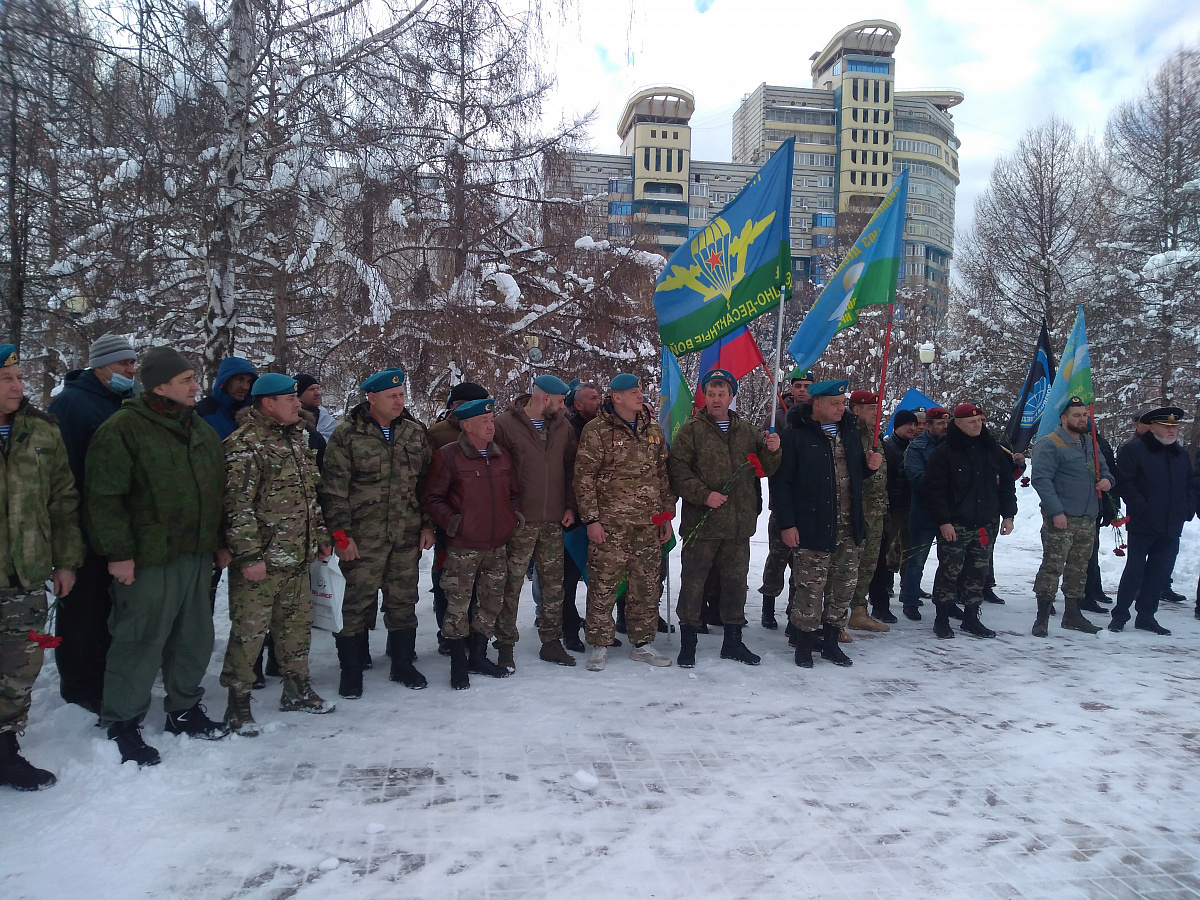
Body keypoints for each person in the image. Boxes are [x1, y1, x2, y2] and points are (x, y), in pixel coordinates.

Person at [86, 347, 231, 766]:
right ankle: (123, 720)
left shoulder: (199, 430)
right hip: (147, 558)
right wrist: (118, 554)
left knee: (194, 637)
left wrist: (221, 540)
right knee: (140, 639)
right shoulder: (124, 430)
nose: (195, 386)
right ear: (159, 386)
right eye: (186, 379)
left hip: (195, 554)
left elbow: (217, 491)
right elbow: (104, 499)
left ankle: (183, 709)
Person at [219, 374, 335, 735]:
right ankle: (238, 702)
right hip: (262, 562)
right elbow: (237, 506)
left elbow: (309, 496)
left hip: (297, 557)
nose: (298, 404)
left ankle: (296, 689)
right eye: (290, 399)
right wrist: (250, 556)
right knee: (249, 633)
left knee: (296, 629)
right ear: (268, 403)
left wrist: (320, 535)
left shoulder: (297, 439)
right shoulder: (244, 445)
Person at [319, 368, 434, 698]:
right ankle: (351, 671)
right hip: (362, 537)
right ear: (371, 398)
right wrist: (341, 537)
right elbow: (333, 491)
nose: (399, 402)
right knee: (355, 604)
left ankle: (402, 664)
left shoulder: (414, 433)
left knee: (403, 600)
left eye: (401, 395)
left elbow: (426, 485)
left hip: (405, 534)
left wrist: (427, 524)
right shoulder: (347, 436)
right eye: (391, 396)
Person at [0, 345, 83, 790]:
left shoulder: (41, 431)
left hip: (26, 576)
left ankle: (5, 751)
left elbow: (62, 501)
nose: (19, 386)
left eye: (18, 377)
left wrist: (66, 561)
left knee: (19, 669)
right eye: (7, 379)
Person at [47, 333, 137, 713]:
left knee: (108, 612)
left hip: (118, 527)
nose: (130, 371)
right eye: (123, 365)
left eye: (133, 364)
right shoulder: (71, 404)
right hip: (83, 528)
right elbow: (62, 473)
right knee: (82, 615)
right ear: (101, 366)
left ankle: (105, 678)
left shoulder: (125, 402)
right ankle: (79, 688)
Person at [668, 369, 781, 668]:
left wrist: (773, 450)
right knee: (694, 583)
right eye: (712, 393)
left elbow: (765, 469)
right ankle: (688, 642)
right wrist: (704, 495)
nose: (717, 399)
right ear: (705, 396)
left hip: (737, 525)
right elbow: (678, 471)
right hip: (702, 524)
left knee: (735, 583)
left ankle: (733, 641)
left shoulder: (746, 430)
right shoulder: (691, 430)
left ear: (732, 396)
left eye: (722, 393)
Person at [770, 379, 881, 668]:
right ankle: (804, 644)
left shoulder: (850, 434)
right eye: (834, 403)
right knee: (810, 588)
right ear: (816, 405)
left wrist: (869, 467)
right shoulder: (796, 436)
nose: (840, 408)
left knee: (842, 587)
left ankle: (831, 641)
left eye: (842, 403)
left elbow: (853, 476)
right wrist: (788, 525)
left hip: (848, 526)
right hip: (813, 526)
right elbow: (782, 484)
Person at [574, 373, 676, 672]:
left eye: (640, 391)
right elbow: (584, 479)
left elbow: (662, 476)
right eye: (633, 392)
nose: (639, 396)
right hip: (610, 525)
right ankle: (599, 644)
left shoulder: (652, 429)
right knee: (603, 586)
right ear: (616, 397)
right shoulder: (597, 430)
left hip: (647, 524)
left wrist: (666, 515)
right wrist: (591, 520)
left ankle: (642, 643)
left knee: (645, 586)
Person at [422, 397, 522, 689]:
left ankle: (478, 655)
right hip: (463, 545)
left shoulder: (500, 455)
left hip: (497, 543)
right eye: (484, 422)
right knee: (458, 604)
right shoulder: (449, 456)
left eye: (491, 421)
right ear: (466, 426)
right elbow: (432, 497)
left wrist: (513, 516)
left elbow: (513, 492)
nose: (491, 426)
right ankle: (457, 662)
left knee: (490, 602)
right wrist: (454, 522)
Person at [493, 374, 579, 669]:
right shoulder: (504, 425)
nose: (562, 408)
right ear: (544, 399)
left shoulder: (562, 427)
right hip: (519, 521)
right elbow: (496, 472)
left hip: (553, 520)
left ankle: (551, 642)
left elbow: (571, 468)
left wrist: (570, 505)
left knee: (554, 585)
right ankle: (505, 643)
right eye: (558, 402)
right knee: (511, 584)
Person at [922, 403, 1017, 640]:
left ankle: (971, 617)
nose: (977, 425)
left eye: (980, 421)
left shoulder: (992, 450)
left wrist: (1009, 515)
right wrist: (944, 521)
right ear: (958, 424)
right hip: (956, 524)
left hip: (985, 523)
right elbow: (935, 492)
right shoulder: (944, 453)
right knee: (949, 571)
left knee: (978, 571)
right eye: (972, 421)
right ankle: (942, 618)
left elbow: (1006, 484)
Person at [1029, 397, 1114, 637]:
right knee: (1052, 567)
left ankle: (1072, 614)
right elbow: (1041, 480)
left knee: (1079, 568)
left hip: (1088, 518)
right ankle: (1042, 616)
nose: (1082, 419)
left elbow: (1105, 471)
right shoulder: (1050, 444)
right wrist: (1056, 511)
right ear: (1064, 418)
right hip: (1062, 519)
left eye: (1084, 415)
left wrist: (1108, 481)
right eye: (1076, 415)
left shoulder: (1091, 444)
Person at [1109, 407, 1196, 635]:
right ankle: (1120, 615)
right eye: (1166, 427)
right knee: (1135, 571)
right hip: (1143, 523)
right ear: (1152, 427)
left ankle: (1147, 616)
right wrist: (1142, 507)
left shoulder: (1181, 454)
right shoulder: (1135, 450)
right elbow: (1125, 483)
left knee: (1159, 572)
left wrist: (1188, 508)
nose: (1171, 431)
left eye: (1174, 427)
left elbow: (1191, 483)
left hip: (1171, 524)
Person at [426, 381, 490, 654]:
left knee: (478, 582)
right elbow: (427, 485)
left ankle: (472, 632)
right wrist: (442, 521)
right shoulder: (438, 435)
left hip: (482, 524)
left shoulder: (489, 431)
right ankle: (448, 633)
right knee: (446, 579)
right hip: (450, 526)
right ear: (455, 407)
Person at [756, 369, 813, 629]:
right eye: (798, 385)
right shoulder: (776, 416)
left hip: (809, 502)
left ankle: (794, 608)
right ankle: (768, 605)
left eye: (807, 385)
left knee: (803, 562)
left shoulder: (817, 417)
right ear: (790, 388)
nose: (802, 390)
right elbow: (763, 452)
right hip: (782, 498)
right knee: (777, 557)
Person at [870, 408, 922, 623]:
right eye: (907, 424)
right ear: (897, 426)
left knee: (911, 553)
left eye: (914, 424)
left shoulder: (917, 447)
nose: (912, 428)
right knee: (883, 553)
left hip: (914, 507)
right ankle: (880, 598)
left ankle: (909, 593)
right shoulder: (888, 447)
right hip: (892, 508)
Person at [900, 407, 951, 619]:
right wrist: (947, 485)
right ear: (928, 426)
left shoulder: (953, 446)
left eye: (947, 423)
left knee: (949, 560)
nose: (945, 427)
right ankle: (910, 599)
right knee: (917, 560)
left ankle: (947, 599)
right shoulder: (917, 448)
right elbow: (917, 478)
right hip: (924, 512)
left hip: (949, 513)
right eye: (940, 424)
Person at [847, 389, 890, 635]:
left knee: (868, 565)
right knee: (848, 565)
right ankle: (837, 615)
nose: (877, 413)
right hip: (857, 511)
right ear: (856, 410)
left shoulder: (875, 437)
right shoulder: (850, 435)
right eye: (871, 409)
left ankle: (858, 611)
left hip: (876, 510)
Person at [196, 357, 258, 440]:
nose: (245, 387)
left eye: (248, 382)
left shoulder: (254, 413)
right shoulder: (204, 412)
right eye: (239, 379)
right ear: (226, 380)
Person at [294, 373, 338, 443]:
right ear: (298, 395)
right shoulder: (289, 419)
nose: (317, 393)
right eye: (311, 389)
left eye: (318, 388)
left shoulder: (327, 420)